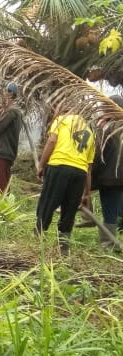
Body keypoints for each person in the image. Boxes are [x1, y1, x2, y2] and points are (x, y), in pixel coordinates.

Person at [35, 110, 96, 254]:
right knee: (70, 209)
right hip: (79, 172)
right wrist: (86, 193)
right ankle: (64, 247)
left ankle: (38, 235)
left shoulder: (62, 120)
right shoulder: (90, 132)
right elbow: (88, 168)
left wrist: (41, 165)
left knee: (48, 202)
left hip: (59, 167)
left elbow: (51, 141)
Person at [92, 95, 123, 250]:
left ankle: (107, 245)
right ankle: (116, 244)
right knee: (120, 209)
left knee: (110, 212)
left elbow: (98, 156)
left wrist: (91, 179)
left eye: (105, 107)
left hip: (110, 179)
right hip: (120, 179)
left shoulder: (107, 129)